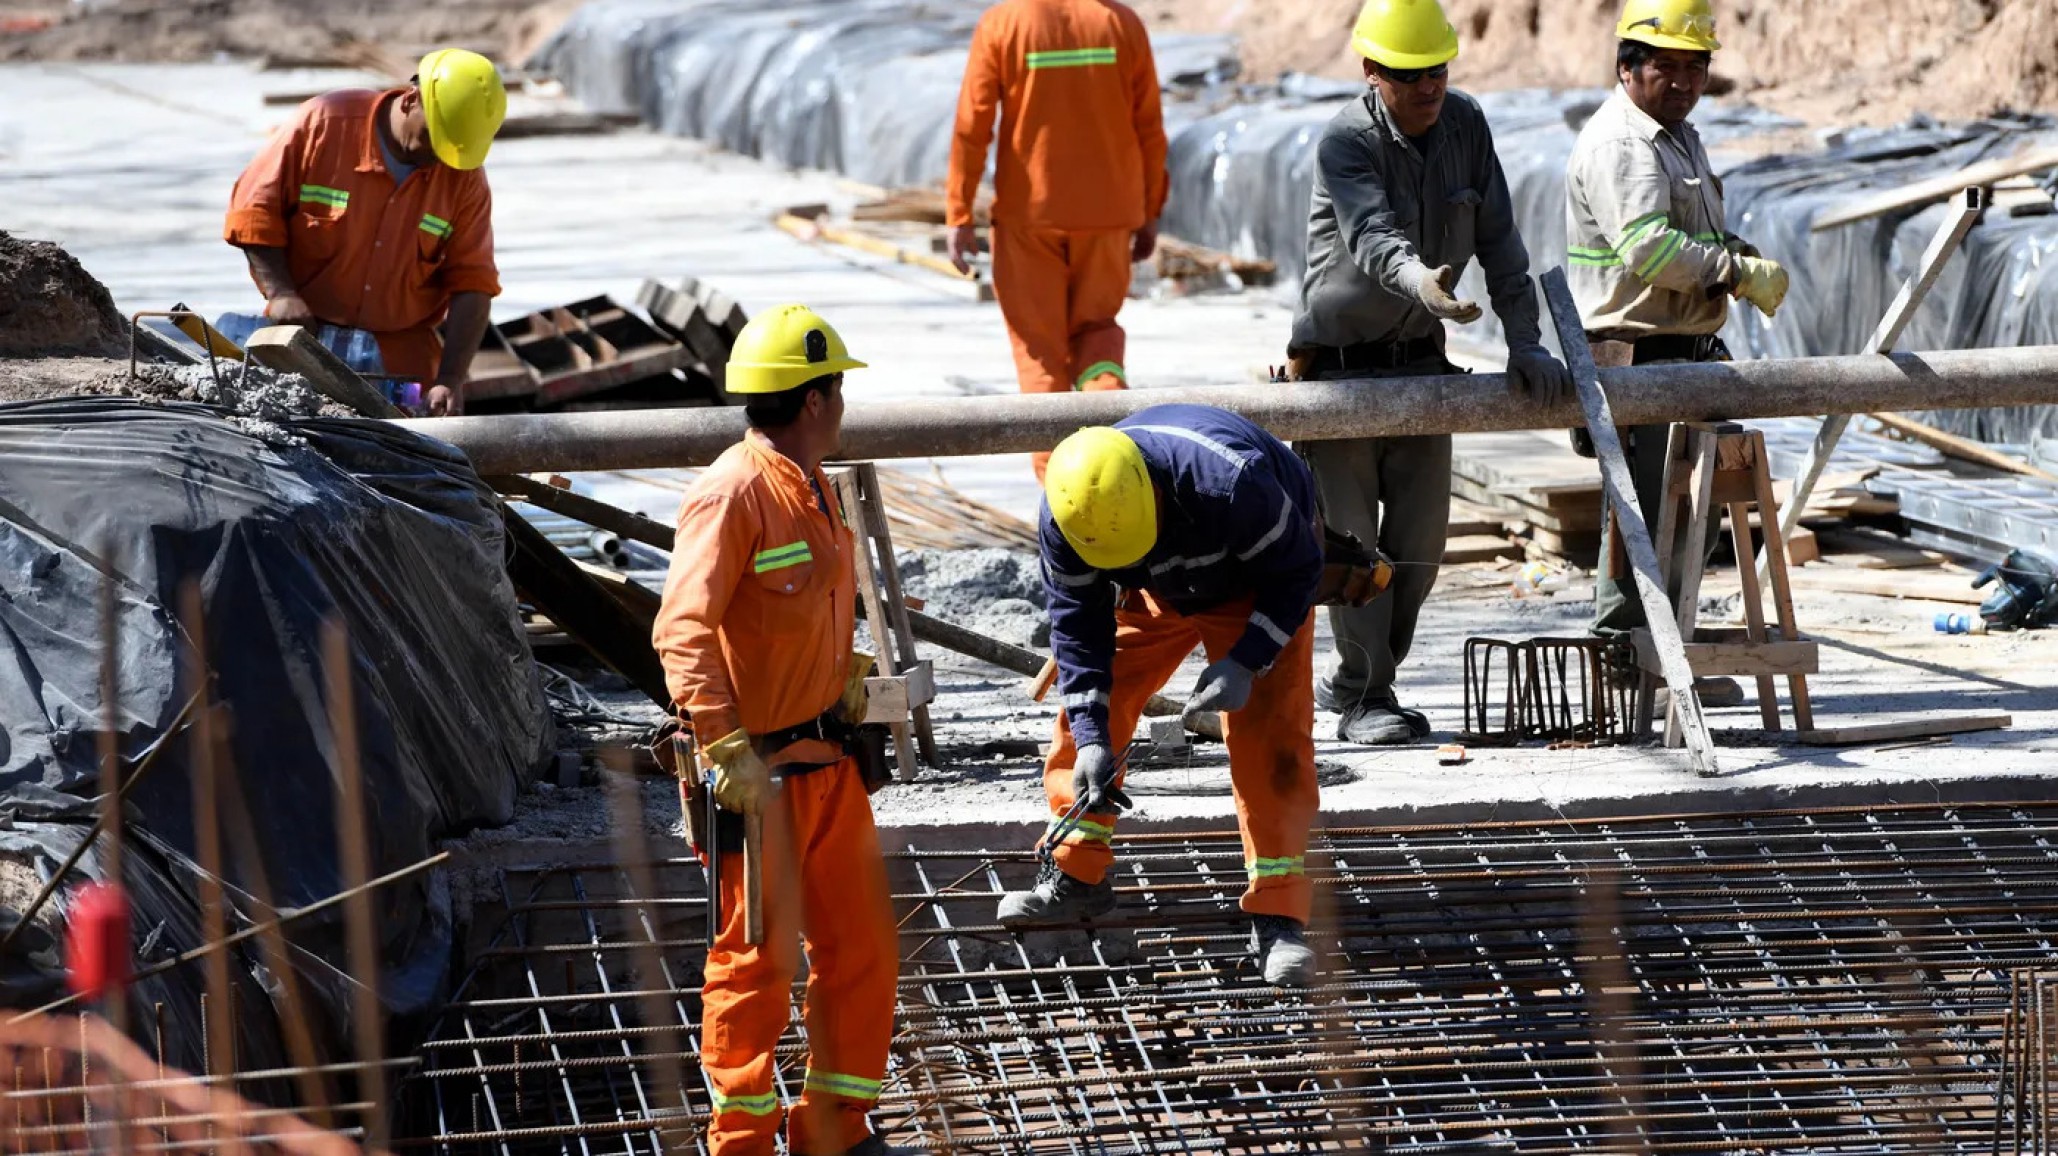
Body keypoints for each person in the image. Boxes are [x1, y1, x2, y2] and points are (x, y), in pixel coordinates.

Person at [652, 306, 900, 1156]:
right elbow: (682, 629)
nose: (843, 406)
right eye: (838, 390)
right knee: (754, 970)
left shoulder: (811, 480)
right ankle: (744, 1143)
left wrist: (847, 674)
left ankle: (834, 1131)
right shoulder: (734, 490)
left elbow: (802, 611)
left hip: (827, 764)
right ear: (815, 398)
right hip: (756, 779)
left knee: (861, 951)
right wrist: (721, 746)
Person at [1288, 0, 1570, 745]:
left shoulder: (1467, 127)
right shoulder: (1345, 141)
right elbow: (1373, 237)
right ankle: (1363, 698)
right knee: (1351, 546)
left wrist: (1527, 344)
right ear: (1372, 73)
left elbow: (1503, 242)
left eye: (1438, 70)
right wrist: (1422, 282)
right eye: (1410, 75)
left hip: (1421, 370)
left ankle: (1360, 681)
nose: (1429, 86)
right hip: (1340, 381)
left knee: (1418, 548)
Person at [994, 404, 1327, 987]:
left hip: (1254, 581)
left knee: (1271, 734)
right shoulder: (1070, 515)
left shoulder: (1233, 483)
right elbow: (1077, 633)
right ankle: (1076, 870)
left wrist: (1248, 658)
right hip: (1151, 584)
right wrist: (1095, 737)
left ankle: (1280, 912)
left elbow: (1298, 571)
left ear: (1155, 498)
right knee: (1090, 708)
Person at [1566, 0, 1788, 703]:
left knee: (1688, 520)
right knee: (1640, 522)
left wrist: (1734, 254)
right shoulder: (1621, 145)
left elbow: (1690, 229)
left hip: (1681, 352)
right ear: (1627, 67)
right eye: (1668, 66)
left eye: (1697, 67)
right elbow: (1651, 250)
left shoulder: (1676, 135)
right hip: (1637, 355)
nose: (1685, 81)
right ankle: (1627, 667)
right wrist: (1732, 272)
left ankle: (1668, 664)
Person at [944, 0, 1168, 479]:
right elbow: (1149, 125)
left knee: (1040, 354)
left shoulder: (1004, 24)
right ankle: (1111, 472)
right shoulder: (1120, 24)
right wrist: (1149, 212)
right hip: (1109, 216)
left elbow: (973, 123)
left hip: (1031, 217)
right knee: (1097, 339)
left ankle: (1060, 492)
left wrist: (959, 212)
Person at [222, 48, 506, 416]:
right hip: (304, 343)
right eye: (434, 140)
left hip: (401, 361)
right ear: (411, 101)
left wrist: (450, 378)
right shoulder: (324, 123)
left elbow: (474, 282)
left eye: (452, 151)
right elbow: (254, 211)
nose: (439, 157)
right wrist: (281, 293)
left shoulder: (462, 178)